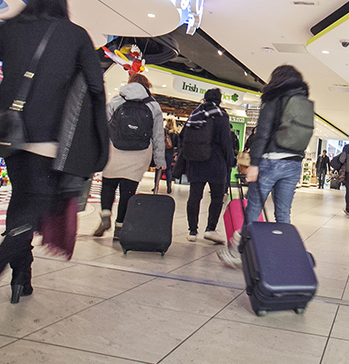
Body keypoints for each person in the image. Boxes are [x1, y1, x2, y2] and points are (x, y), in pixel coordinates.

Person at [0, 0, 107, 329]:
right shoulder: (75, 36)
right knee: (28, 217)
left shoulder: (11, 28)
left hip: (11, 137)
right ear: (63, 2)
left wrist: (1, 94)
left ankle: (21, 275)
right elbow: (96, 86)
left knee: (21, 204)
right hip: (47, 141)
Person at [218, 64, 311, 267]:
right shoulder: (303, 102)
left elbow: (262, 133)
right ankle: (282, 254)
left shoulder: (274, 98)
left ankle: (239, 253)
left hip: (271, 162)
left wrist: (255, 164)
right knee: (283, 212)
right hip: (294, 164)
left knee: (253, 208)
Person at [94, 73, 165, 239]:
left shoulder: (117, 100)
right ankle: (120, 227)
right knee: (128, 190)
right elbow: (158, 136)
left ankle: (105, 214)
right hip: (139, 153)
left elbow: (103, 126)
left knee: (109, 183)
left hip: (114, 149)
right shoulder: (154, 106)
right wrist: (160, 161)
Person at [177, 88, 235, 243]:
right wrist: (231, 161)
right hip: (216, 162)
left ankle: (192, 231)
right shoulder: (221, 115)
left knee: (194, 196)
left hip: (195, 161)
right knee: (217, 197)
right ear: (219, 100)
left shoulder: (195, 114)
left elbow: (182, 137)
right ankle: (210, 229)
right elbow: (226, 142)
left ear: (204, 98)